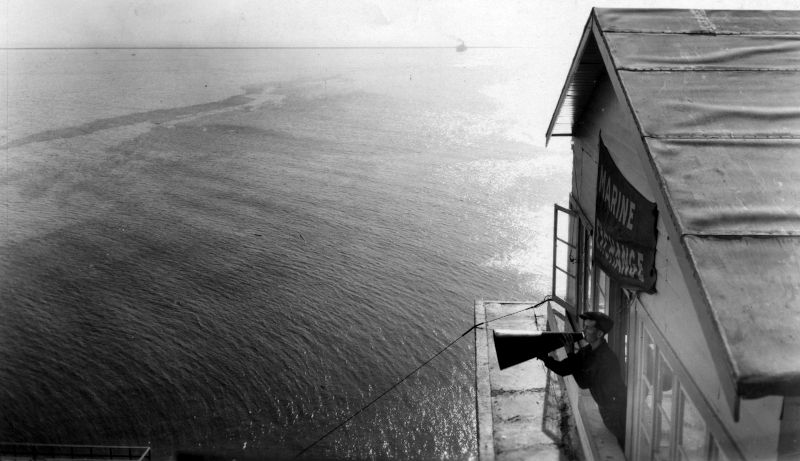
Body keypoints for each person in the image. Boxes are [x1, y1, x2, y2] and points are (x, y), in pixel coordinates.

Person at [538, 311, 627, 447]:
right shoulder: (588, 350)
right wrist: (545, 358)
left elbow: (584, 382)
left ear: (599, 334)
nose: (583, 330)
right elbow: (565, 369)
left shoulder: (605, 358)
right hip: (608, 408)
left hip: (618, 412)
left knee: (624, 444)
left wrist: (570, 353)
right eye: (584, 326)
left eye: (588, 327)